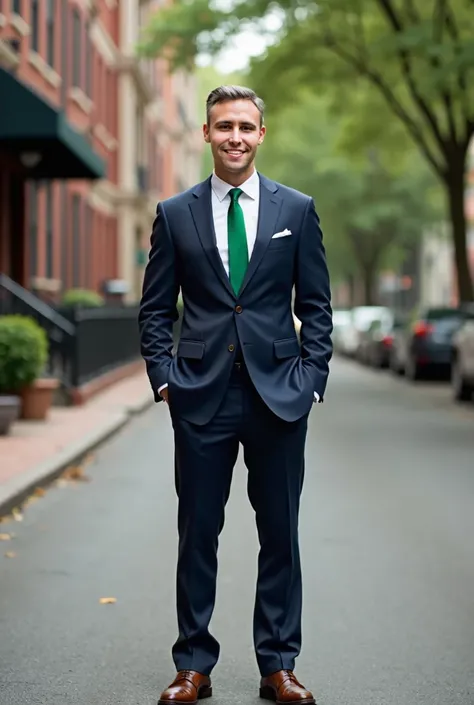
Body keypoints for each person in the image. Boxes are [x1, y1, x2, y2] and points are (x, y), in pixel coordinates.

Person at [139, 85, 333, 705]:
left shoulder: (296, 210)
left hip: (280, 395)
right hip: (201, 396)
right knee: (198, 532)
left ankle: (279, 665)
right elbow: (154, 310)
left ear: (261, 134)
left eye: (246, 127)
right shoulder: (175, 213)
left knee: (281, 532)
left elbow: (318, 307)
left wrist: (313, 382)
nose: (235, 137)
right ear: (205, 134)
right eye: (224, 126)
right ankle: (193, 664)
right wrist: (166, 377)